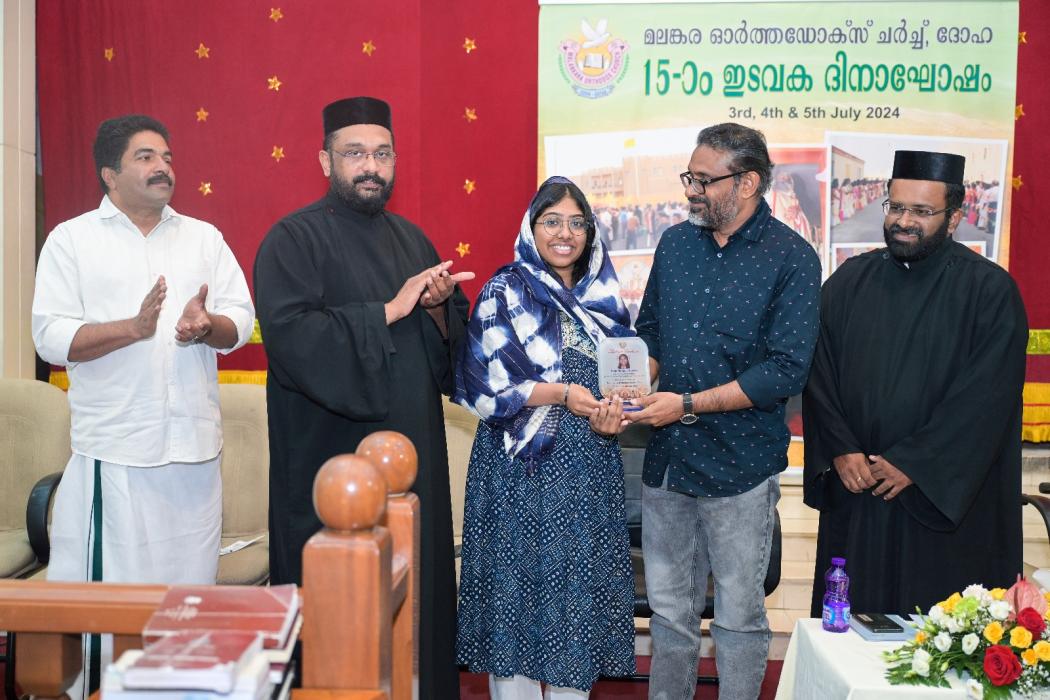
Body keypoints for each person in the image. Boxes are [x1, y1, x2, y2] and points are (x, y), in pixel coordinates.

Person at [253, 96, 471, 698]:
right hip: (328, 461)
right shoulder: (291, 239)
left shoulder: (413, 240)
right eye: (355, 153)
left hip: (412, 455)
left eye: (382, 153)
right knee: (338, 620)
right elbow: (291, 337)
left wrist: (438, 311)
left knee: (416, 597)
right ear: (326, 161)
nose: (370, 166)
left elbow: (447, 349)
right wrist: (387, 311)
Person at [32, 114, 255, 695]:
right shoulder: (72, 240)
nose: (163, 167)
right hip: (118, 456)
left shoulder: (203, 237)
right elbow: (50, 338)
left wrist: (206, 326)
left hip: (193, 455)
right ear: (109, 174)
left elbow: (240, 318)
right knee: (116, 609)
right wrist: (132, 328)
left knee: (188, 599)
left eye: (167, 156)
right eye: (145, 157)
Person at [626, 123, 821, 700]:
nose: (691, 190)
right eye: (689, 177)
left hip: (741, 468)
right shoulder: (675, 244)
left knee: (738, 617)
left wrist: (686, 405)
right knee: (669, 615)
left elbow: (785, 370)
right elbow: (651, 331)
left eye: (703, 180)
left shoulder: (792, 258)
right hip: (668, 463)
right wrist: (632, 384)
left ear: (748, 182)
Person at [802, 150, 1028, 616]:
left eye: (922, 211)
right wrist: (841, 448)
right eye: (897, 207)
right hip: (860, 490)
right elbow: (818, 373)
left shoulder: (990, 292)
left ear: (954, 217)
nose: (904, 222)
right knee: (854, 623)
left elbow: (987, 399)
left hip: (942, 501)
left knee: (938, 635)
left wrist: (915, 462)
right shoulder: (849, 282)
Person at [454, 176, 636, 698]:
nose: (565, 233)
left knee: (573, 602)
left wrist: (616, 415)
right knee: (513, 603)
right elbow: (486, 387)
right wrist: (562, 394)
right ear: (531, 228)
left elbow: (625, 380)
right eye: (552, 221)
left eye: (577, 223)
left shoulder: (604, 299)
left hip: (586, 472)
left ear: (590, 231)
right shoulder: (504, 291)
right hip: (517, 470)